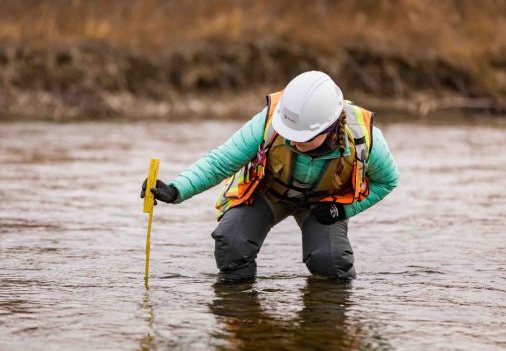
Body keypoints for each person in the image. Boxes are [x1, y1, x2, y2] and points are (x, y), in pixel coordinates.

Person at [141, 71, 399, 282]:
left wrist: (342, 212)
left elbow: (387, 181)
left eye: (303, 138)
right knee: (231, 245)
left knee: (331, 262)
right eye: (291, 135)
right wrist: (175, 190)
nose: (294, 143)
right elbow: (220, 162)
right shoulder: (270, 121)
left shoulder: (364, 136)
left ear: (331, 127)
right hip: (267, 193)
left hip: (323, 204)